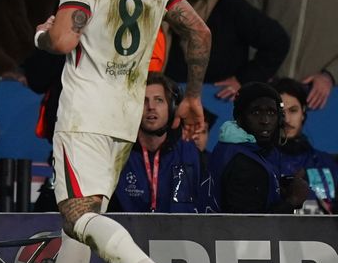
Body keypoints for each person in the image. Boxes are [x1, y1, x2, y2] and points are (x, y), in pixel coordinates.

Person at [29, 0, 212, 263]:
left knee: (77, 215)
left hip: (84, 115)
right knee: (80, 225)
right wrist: (194, 98)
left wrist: (40, 33)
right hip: (124, 119)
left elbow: (60, 40)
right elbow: (200, 33)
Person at [159, 0, 288, 100]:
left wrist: (244, 80)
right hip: (172, 102)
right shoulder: (163, 8)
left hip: (220, 106)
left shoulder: (230, 8)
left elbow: (278, 41)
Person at [109, 73, 207, 213]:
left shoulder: (191, 154)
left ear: (172, 108)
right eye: (144, 100)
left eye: (159, 100)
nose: (151, 107)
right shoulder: (117, 156)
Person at [208, 82, 310, 213]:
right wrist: (293, 200)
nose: (265, 120)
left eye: (271, 112)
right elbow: (251, 228)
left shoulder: (240, 149)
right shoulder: (243, 162)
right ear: (240, 117)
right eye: (256, 112)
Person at [271, 78, 337, 213]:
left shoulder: (327, 163)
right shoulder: (257, 162)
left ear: (303, 112)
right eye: (280, 112)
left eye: (293, 110)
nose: (287, 119)